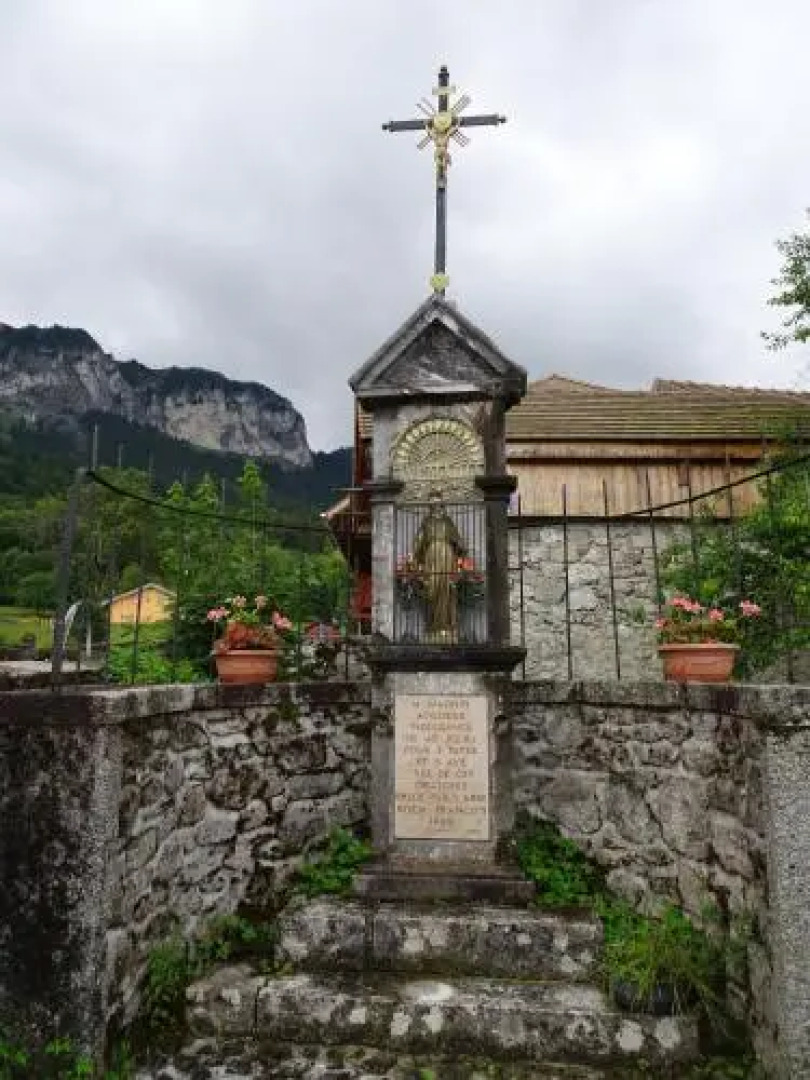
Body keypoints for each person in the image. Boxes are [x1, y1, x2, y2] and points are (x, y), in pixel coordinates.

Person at [413, 490, 466, 642]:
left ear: (441, 504)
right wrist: (414, 560)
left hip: (447, 557)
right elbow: (419, 542)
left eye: (437, 503)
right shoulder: (426, 522)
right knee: (432, 590)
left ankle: (447, 627)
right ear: (429, 505)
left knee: (446, 590)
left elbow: (457, 540)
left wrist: (460, 547)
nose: (435, 506)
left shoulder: (448, 521)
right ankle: (433, 627)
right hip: (431, 558)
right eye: (432, 503)